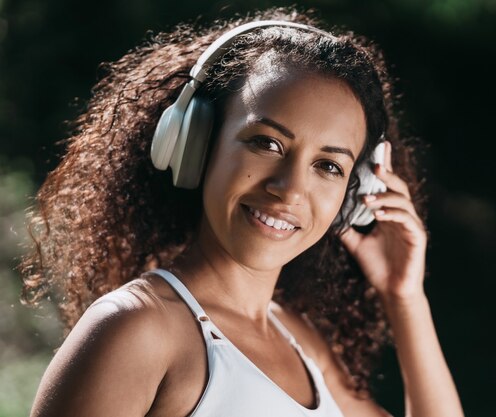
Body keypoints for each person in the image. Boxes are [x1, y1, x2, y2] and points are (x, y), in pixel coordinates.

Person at [20, 7, 464, 417]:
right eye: (266, 143)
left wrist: (404, 298)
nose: (289, 188)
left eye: (328, 166)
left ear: (352, 197)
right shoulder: (135, 329)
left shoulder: (298, 340)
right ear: (196, 141)